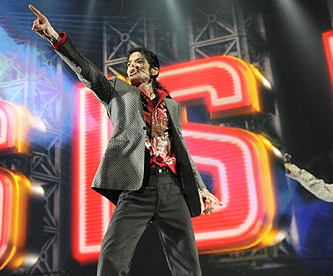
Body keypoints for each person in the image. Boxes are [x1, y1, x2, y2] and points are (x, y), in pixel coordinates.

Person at [29, 4, 222, 276]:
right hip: (137, 186)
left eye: (138, 62)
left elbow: (182, 150)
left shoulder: (172, 106)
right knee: (112, 257)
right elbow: (88, 72)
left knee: (188, 265)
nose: (131, 67)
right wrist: (53, 37)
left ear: (154, 71)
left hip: (172, 188)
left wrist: (201, 188)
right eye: (129, 64)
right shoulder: (117, 92)